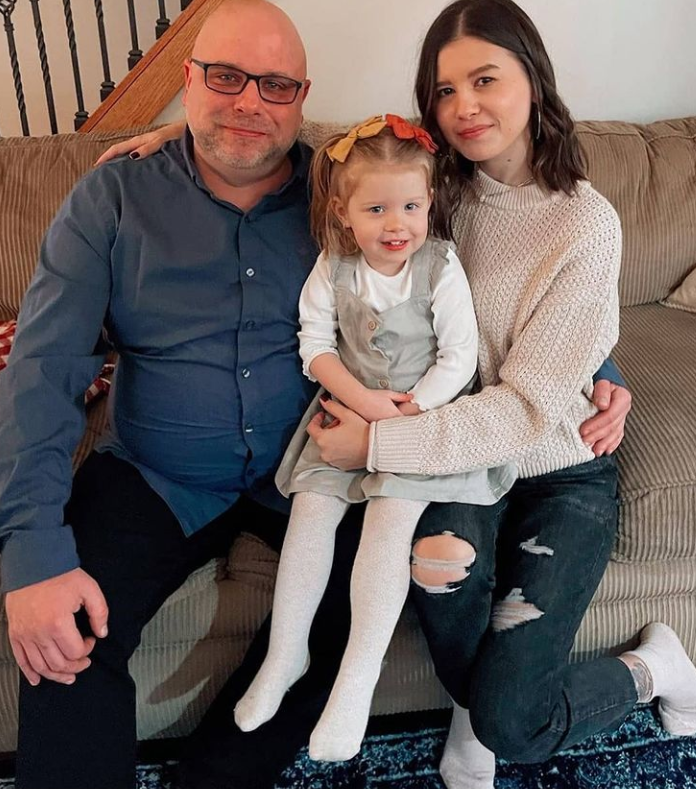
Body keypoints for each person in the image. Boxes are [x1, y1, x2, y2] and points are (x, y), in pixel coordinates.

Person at [1, 1, 632, 788]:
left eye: (274, 85)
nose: (248, 103)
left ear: (302, 99)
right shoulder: (117, 194)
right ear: (188, 81)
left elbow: (499, 293)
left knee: (348, 618)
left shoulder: (351, 187)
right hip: (156, 470)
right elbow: (42, 369)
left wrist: (599, 366)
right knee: (67, 631)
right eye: (224, 78)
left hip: (313, 456)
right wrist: (30, 555)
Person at [302, 1, 696, 787]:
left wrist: (374, 443)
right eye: (445, 90)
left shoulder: (586, 223)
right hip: (457, 457)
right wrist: (175, 141)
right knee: (436, 569)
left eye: (485, 80)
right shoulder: (429, 193)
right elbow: (305, 167)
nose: (464, 107)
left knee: (515, 724)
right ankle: (474, 706)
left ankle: (653, 669)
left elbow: (524, 405)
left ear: (533, 79)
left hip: (559, 465)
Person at [233, 114, 516, 762]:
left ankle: (357, 678)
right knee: (311, 510)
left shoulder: (440, 265)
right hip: (347, 409)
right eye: (377, 208)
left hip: (419, 421)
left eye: (411, 206)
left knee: (388, 525)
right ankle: (285, 654)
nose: (397, 225)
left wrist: (410, 411)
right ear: (344, 211)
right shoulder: (335, 266)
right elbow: (315, 344)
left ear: (430, 202)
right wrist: (362, 402)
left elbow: (460, 355)